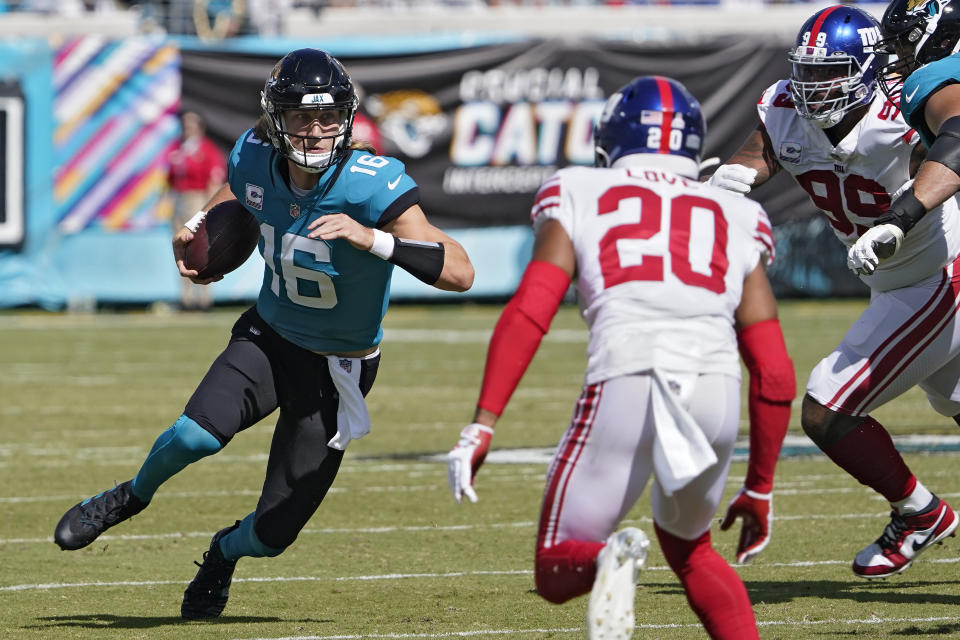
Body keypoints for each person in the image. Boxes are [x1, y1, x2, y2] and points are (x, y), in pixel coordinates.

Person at [52, 48, 474, 619]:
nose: (316, 130)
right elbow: (238, 196)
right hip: (269, 338)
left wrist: (371, 239)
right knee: (194, 435)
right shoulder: (253, 155)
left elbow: (459, 270)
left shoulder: (373, 185)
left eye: (327, 117)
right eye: (301, 116)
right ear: (276, 120)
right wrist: (200, 227)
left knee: (274, 533)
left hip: (338, 368)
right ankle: (130, 495)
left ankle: (223, 552)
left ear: (347, 117)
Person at [447, 75, 783, 640]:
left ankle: (611, 560)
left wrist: (483, 423)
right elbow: (773, 369)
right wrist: (761, 486)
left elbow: (532, 309)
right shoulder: (736, 213)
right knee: (692, 550)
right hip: (715, 388)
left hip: (629, 374)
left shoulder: (579, 188)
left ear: (613, 136)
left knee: (557, 569)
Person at [706, 4, 960, 579]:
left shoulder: (905, 105)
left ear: (868, 69)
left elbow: (956, 143)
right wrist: (732, 181)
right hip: (896, 283)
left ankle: (919, 513)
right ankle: (920, 516)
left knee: (827, 406)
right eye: (808, 74)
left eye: (831, 75)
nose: (815, 89)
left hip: (939, 273)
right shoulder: (785, 107)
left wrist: (900, 216)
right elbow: (761, 153)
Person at [166, 111, 227, 311]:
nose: (187, 129)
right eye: (185, 125)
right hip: (179, 200)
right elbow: (170, 179)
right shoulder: (178, 149)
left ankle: (204, 298)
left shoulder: (207, 150)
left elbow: (214, 180)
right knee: (180, 249)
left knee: (199, 248)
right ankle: (187, 298)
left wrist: (208, 207)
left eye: (191, 125)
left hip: (196, 199)